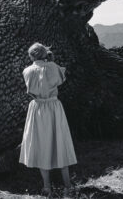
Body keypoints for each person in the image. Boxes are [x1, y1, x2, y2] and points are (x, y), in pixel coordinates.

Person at [19, 42, 77, 197]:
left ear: (31, 56)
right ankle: (68, 186)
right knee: (60, 142)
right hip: (53, 107)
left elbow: (30, 90)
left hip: (37, 108)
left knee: (41, 145)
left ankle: (47, 187)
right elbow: (61, 79)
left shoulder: (27, 71)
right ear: (45, 54)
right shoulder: (54, 68)